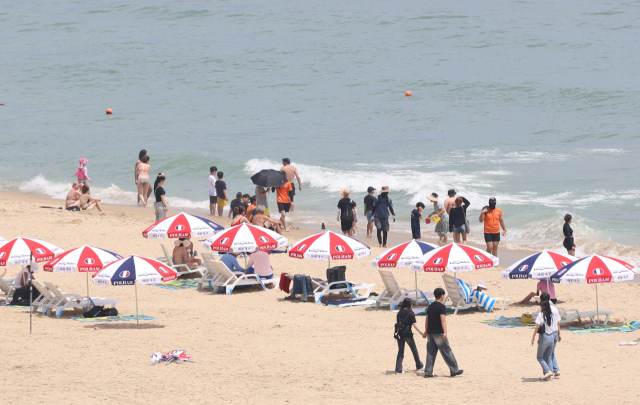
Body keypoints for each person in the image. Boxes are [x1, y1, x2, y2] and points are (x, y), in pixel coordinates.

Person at [422, 288, 463, 378]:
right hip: (438, 333)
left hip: (430, 333)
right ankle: (454, 370)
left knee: (430, 353)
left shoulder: (430, 306)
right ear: (442, 295)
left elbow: (427, 320)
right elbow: (443, 320)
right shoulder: (441, 307)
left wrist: (426, 331)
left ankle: (428, 372)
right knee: (446, 351)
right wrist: (445, 332)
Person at [531, 293, 561, 380]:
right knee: (549, 355)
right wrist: (559, 333)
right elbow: (558, 323)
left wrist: (534, 337)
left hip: (547, 336)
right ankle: (553, 372)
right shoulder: (554, 309)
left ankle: (548, 371)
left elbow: (538, 326)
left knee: (540, 356)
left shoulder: (542, 312)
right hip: (554, 334)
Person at [395, 298, 425, 374]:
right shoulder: (410, 313)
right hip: (407, 334)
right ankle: (419, 365)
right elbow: (414, 324)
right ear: (409, 305)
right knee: (414, 350)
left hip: (399, 334)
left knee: (400, 351)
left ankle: (398, 369)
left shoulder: (399, 313)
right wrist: (421, 332)